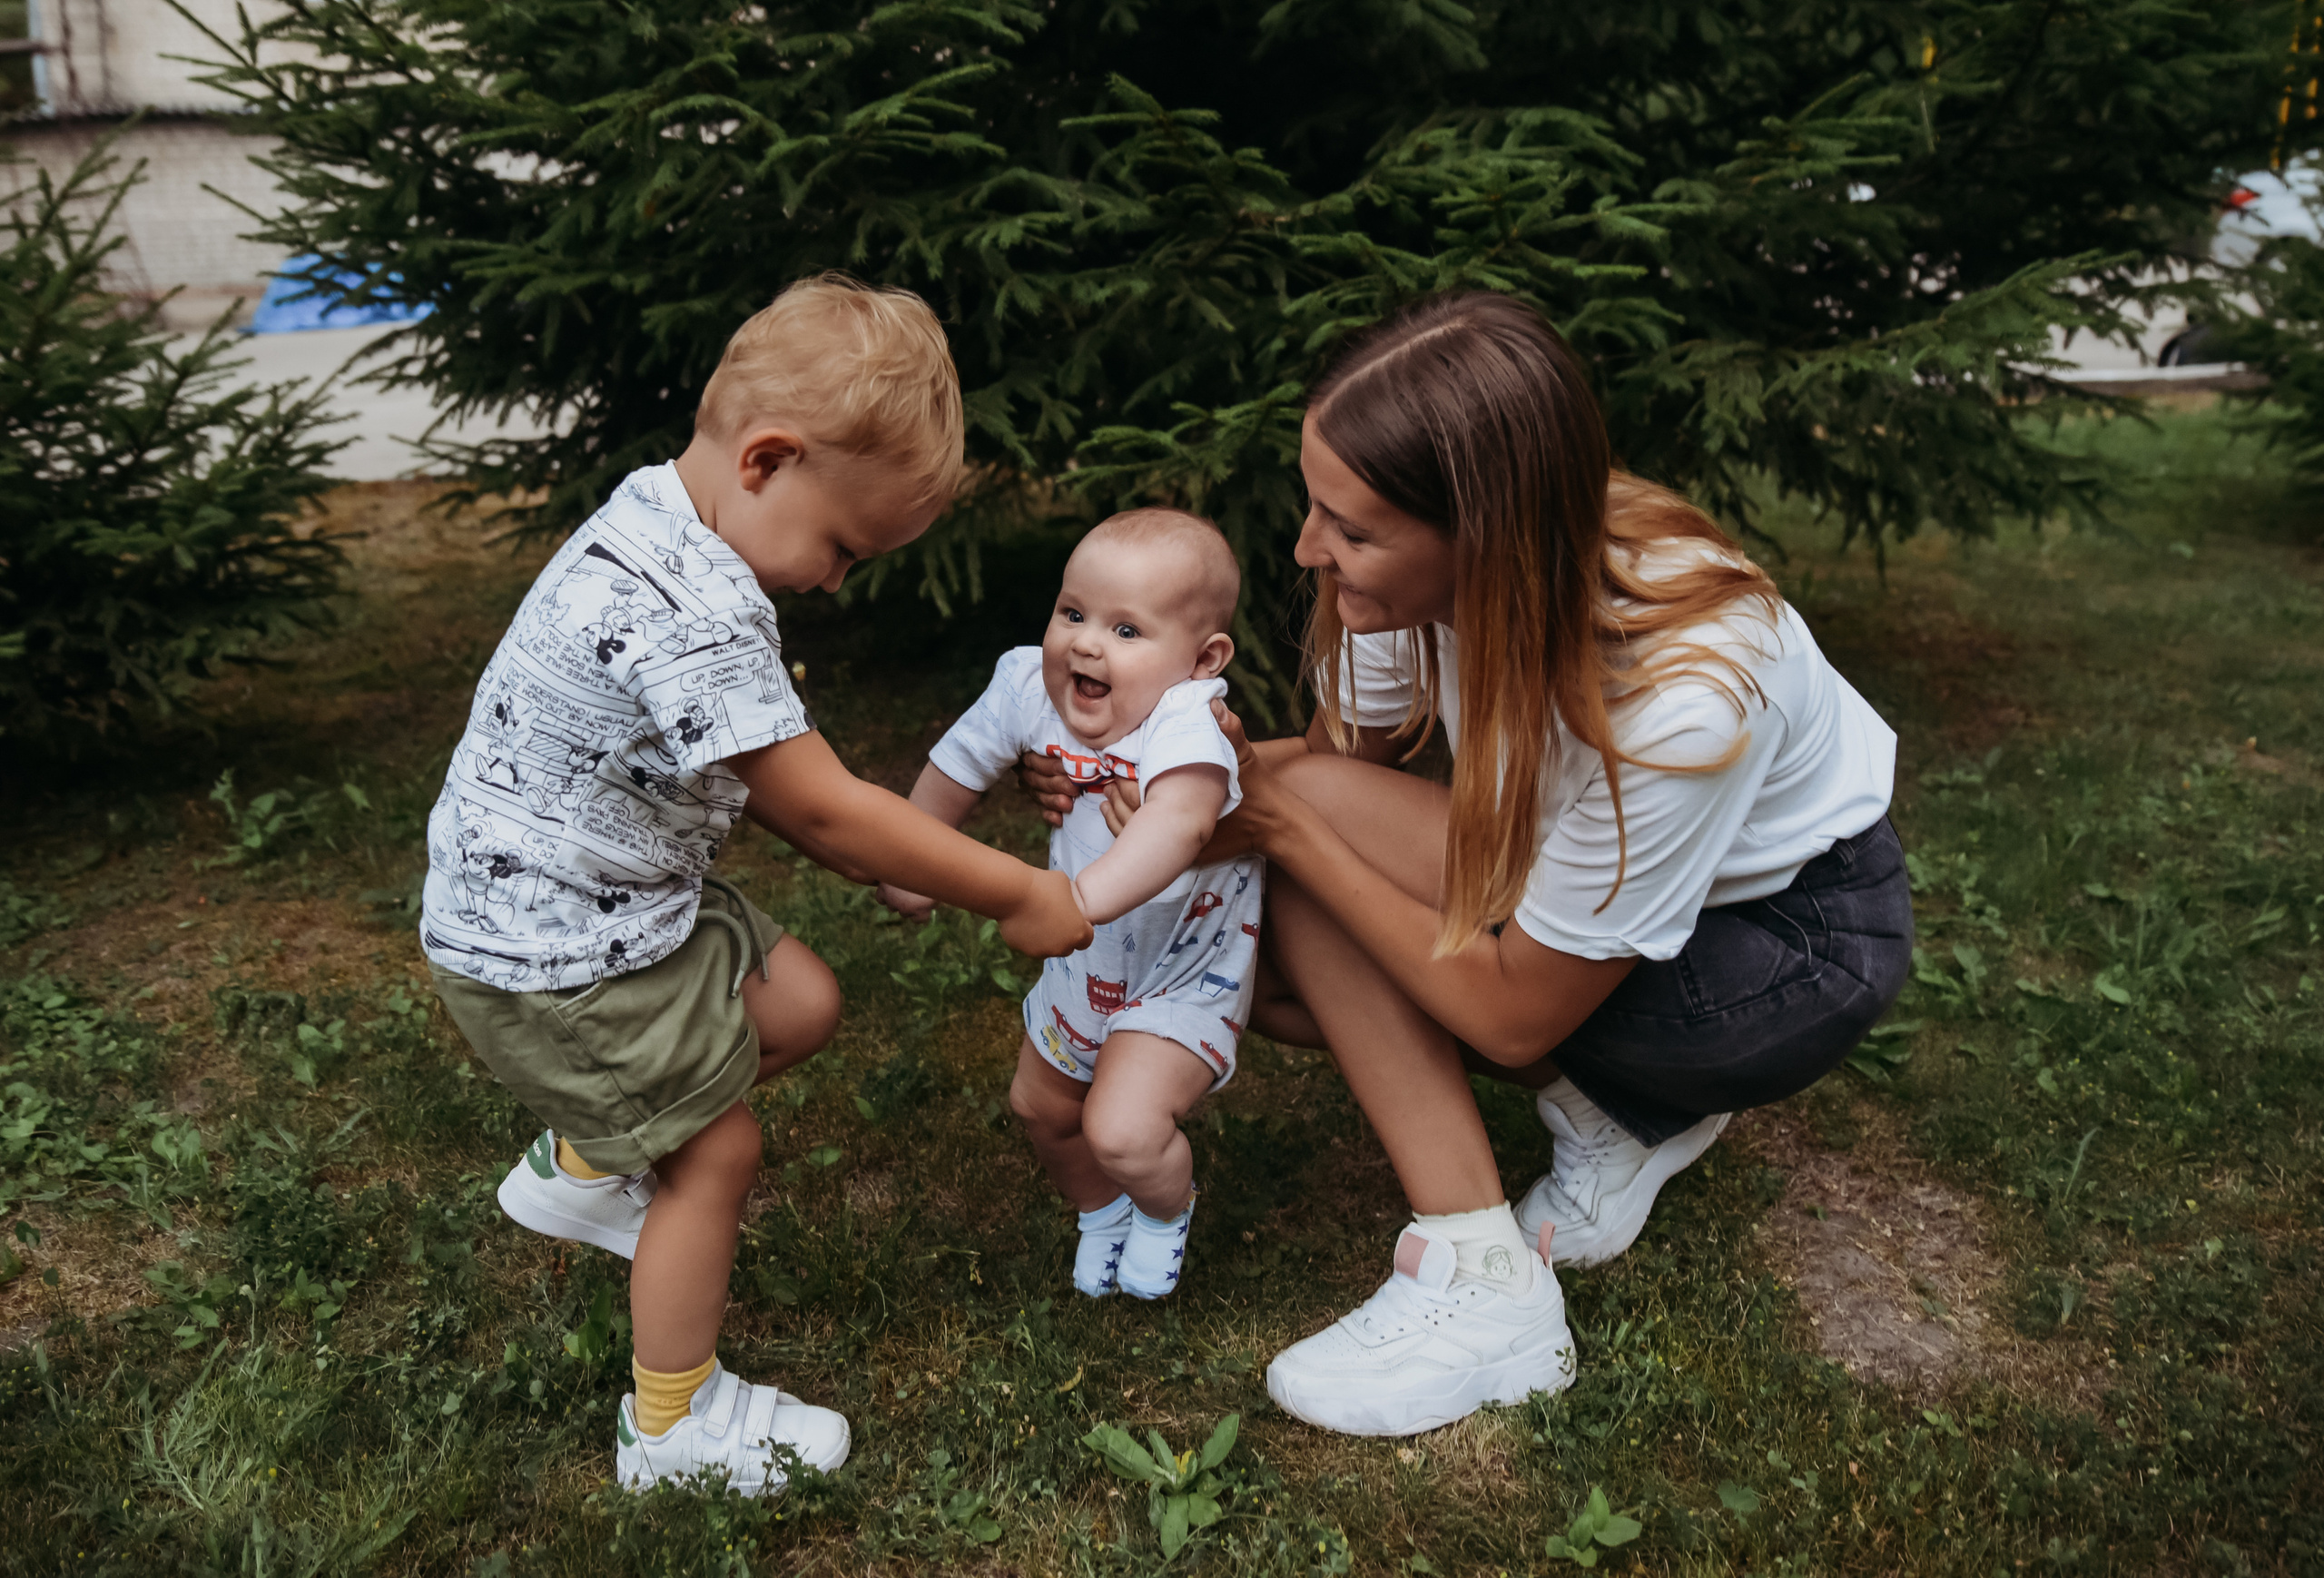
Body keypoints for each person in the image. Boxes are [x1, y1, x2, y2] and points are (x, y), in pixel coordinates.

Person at [1019, 292, 1908, 1437]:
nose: (1305, 549)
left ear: (1480, 530)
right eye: (1315, 507)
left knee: (1291, 846)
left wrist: (1274, 829)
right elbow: (1344, 759)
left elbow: (1511, 1017)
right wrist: (1146, 783)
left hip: (1778, 953)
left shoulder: (1683, 696)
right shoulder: (1429, 582)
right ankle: (1611, 1114)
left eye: (1350, 529)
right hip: (1609, 884)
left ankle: (1489, 1291)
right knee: (1264, 893)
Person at [419, 275, 1091, 1491]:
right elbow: (825, 806)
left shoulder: (657, 515)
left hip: (593, 910)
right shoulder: (690, 604)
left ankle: (581, 1172)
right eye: (843, 546)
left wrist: (890, 849)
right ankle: (673, 1427)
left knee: (798, 1001)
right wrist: (1021, 891)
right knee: (718, 1153)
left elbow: (777, 783)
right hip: (562, 959)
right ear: (769, 459)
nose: (837, 580)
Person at [879, 508, 1258, 1302]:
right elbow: (958, 764)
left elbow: (1182, 824)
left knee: (1121, 1128)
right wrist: (908, 862)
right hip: (1083, 961)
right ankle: (1103, 1208)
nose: (1085, 643)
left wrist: (1075, 899)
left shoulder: (1189, 716)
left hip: (1180, 964)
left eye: (1127, 630)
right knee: (1041, 1110)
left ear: (1203, 658)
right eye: (1073, 613)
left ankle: (1163, 1209)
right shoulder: (1028, 684)